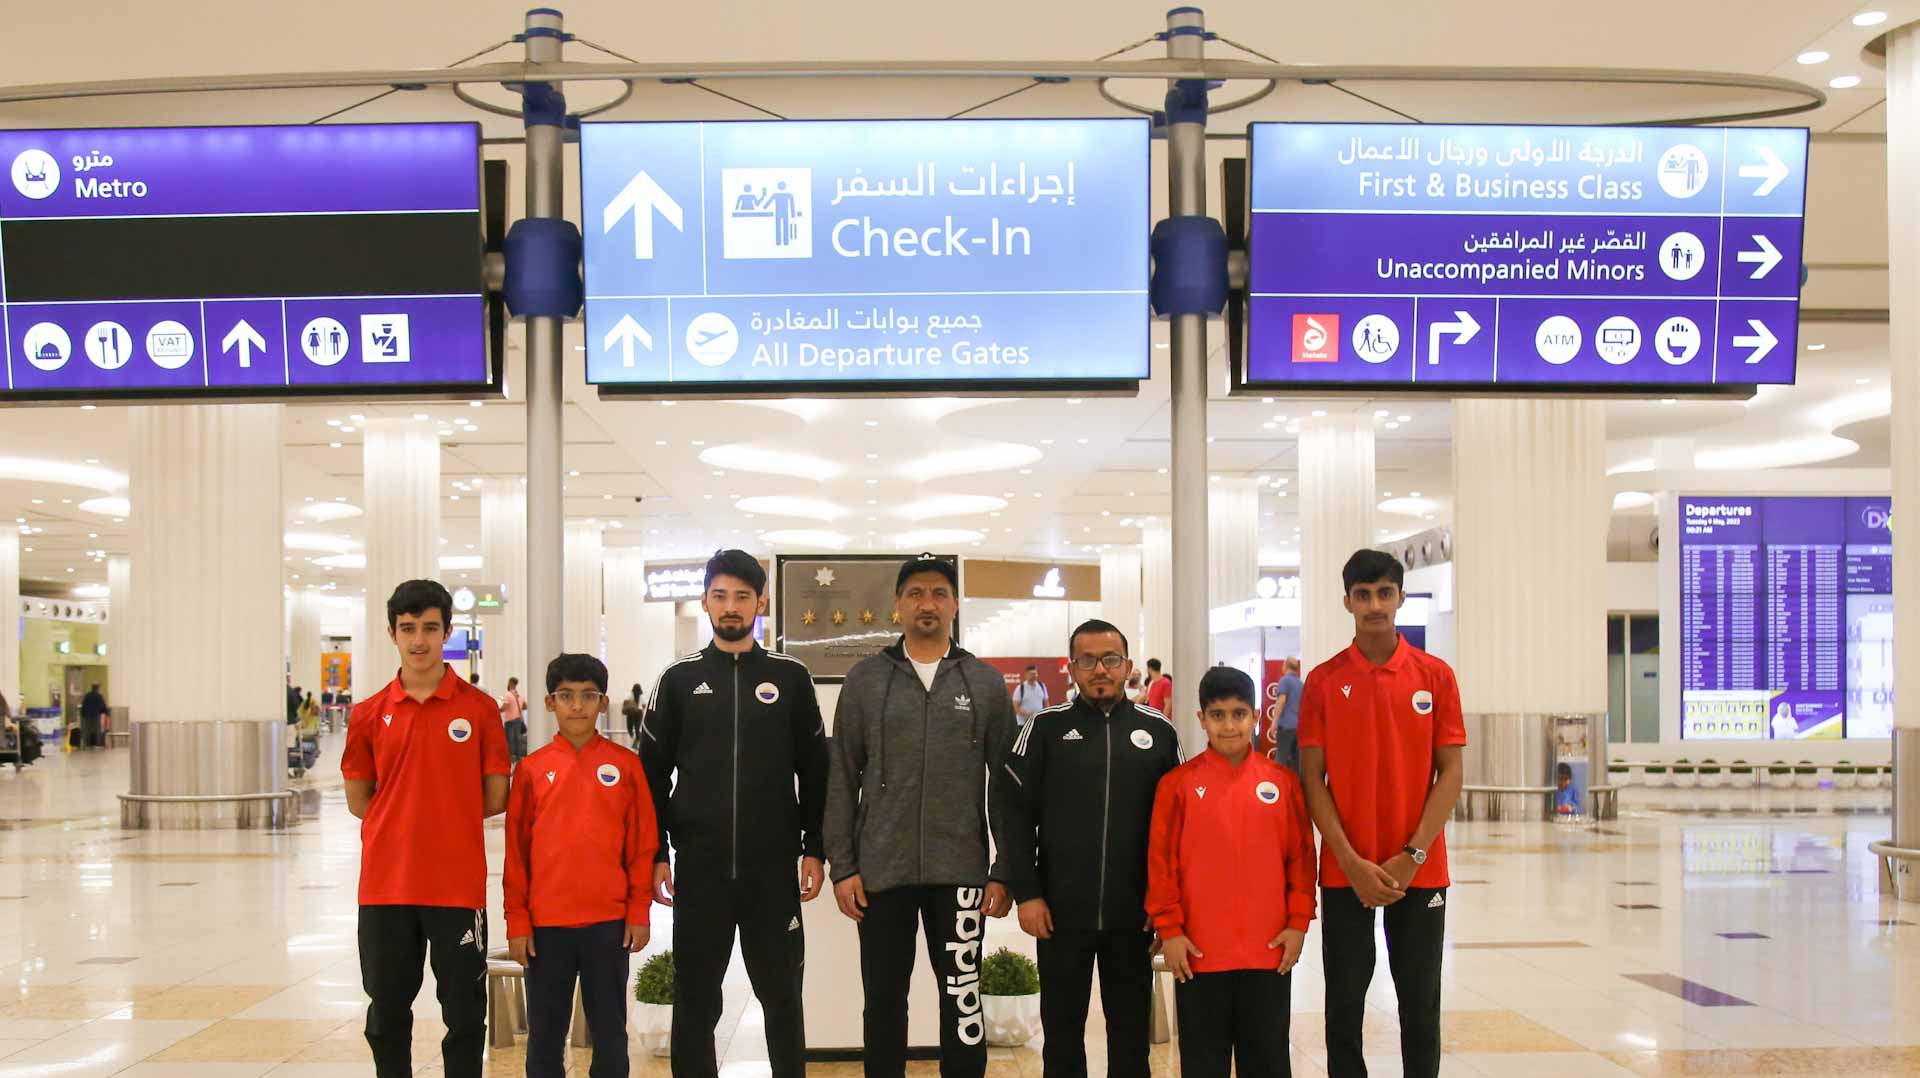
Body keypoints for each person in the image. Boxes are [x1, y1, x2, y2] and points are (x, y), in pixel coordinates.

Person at [824, 554, 1021, 1078]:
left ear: (955, 605)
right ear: (897, 606)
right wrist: (842, 866)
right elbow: (841, 776)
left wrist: (1004, 869)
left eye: (938, 593)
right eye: (915, 593)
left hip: (960, 872)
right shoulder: (866, 681)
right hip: (881, 873)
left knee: (963, 1005)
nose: (927, 603)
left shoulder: (984, 683)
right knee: (884, 1004)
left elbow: (1004, 785)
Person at [642, 550, 828, 1078]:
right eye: (720, 595)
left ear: (761, 602)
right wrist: (657, 854)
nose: (730, 606)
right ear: (704, 601)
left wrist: (814, 847)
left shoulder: (791, 679)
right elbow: (650, 776)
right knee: (696, 999)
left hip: (772, 872)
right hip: (700, 870)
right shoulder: (677, 681)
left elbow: (816, 772)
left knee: (782, 997)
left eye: (742, 596)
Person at [1298, 549, 1465, 1078]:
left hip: (1420, 868)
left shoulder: (1435, 676)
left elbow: (1451, 773)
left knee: (1421, 1004)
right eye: (1363, 595)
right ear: (1347, 601)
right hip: (1347, 871)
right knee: (1343, 1005)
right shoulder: (1324, 681)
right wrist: (1347, 860)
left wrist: (1413, 855)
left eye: (1384, 593)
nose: (1374, 605)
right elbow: (1311, 780)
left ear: (1400, 597)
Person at [993, 619, 1181, 1078]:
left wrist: (1166, 904)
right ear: (1071, 668)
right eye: (1087, 660)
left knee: (1131, 1036)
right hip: (1059, 913)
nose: (1100, 669)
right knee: (1061, 1037)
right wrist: (1027, 893)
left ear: (1128, 666)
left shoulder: (1158, 733)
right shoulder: (1042, 730)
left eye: (1110, 659)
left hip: (1133, 914)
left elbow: (1177, 829)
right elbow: (1011, 814)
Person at [342, 579, 512, 1078]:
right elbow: (359, 801)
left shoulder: (479, 709)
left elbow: (496, 794)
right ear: (392, 633)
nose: (420, 640)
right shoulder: (368, 714)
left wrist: (446, 816)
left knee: (464, 1011)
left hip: (456, 886)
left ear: (448, 632)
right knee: (387, 1008)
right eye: (409, 628)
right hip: (385, 887)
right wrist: (407, 818)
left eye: (430, 628)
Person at [1147, 667, 1315, 1078]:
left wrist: (1298, 923)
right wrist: (1170, 929)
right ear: (1201, 719)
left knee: (1268, 1060)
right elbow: (1161, 862)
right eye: (1217, 715)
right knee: (1204, 1062)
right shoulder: (1178, 785)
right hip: (1199, 955)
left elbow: (1301, 858)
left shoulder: (1282, 783)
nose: (1229, 725)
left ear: (1256, 717)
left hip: (1268, 952)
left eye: (1239, 714)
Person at [506, 652, 656, 1078]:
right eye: (566, 696)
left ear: (603, 703)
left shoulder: (626, 767)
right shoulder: (532, 771)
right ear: (550, 703)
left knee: (610, 1034)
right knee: (544, 1037)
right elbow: (516, 853)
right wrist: (517, 920)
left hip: (607, 925)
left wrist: (638, 911)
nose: (577, 706)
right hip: (545, 928)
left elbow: (641, 845)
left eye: (588, 696)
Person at [1269, 658, 1304, 772]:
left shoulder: (1285, 681)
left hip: (1286, 727)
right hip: (1299, 727)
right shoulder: (1300, 683)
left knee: (1281, 760)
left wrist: (1274, 721)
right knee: (1297, 763)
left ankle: (1278, 786)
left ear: (1285, 666)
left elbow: (1282, 700)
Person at [501, 676, 529, 765]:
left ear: (510, 683)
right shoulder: (519, 695)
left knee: (509, 740)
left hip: (510, 721)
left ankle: (510, 759)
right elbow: (525, 706)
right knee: (517, 740)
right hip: (518, 720)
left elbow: (504, 707)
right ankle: (518, 758)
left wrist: (497, 709)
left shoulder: (508, 695)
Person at [80, 683, 108, 748]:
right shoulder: (99, 696)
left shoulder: (87, 695)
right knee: (96, 729)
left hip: (88, 716)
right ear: (97, 688)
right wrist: (106, 712)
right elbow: (102, 706)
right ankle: (96, 743)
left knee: (88, 729)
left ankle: (87, 743)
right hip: (96, 715)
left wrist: (83, 714)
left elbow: (84, 705)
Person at [622, 683, 646, 749]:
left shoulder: (630, 695)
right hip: (639, 713)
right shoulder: (641, 696)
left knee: (629, 728)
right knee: (637, 729)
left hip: (631, 713)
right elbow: (644, 705)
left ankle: (633, 739)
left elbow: (625, 702)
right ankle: (636, 742)